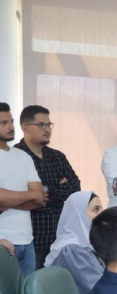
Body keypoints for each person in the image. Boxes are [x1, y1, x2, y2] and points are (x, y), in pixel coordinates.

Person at [14, 105, 82, 269]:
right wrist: (56, 189)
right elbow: (19, 196)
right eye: (41, 125)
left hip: (58, 236)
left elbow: (75, 188)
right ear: (25, 128)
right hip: (31, 238)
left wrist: (45, 191)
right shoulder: (15, 156)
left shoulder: (57, 156)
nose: (47, 129)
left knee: (57, 282)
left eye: (49, 125)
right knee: (30, 283)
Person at [0, 102, 48, 276]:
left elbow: (40, 199)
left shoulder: (23, 156)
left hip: (27, 241)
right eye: (3, 123)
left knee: (27, 292)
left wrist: (6, 201)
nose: (11, 127)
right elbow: (34, 195)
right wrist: (30, 195)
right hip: (2, 241)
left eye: (11, 122)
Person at [45, 191, 105, 294]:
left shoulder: (87, 242)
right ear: (78, 214)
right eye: (96, 210)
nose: (102, 215)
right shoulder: (72, 249)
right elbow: (96, 288)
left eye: (101, 209)